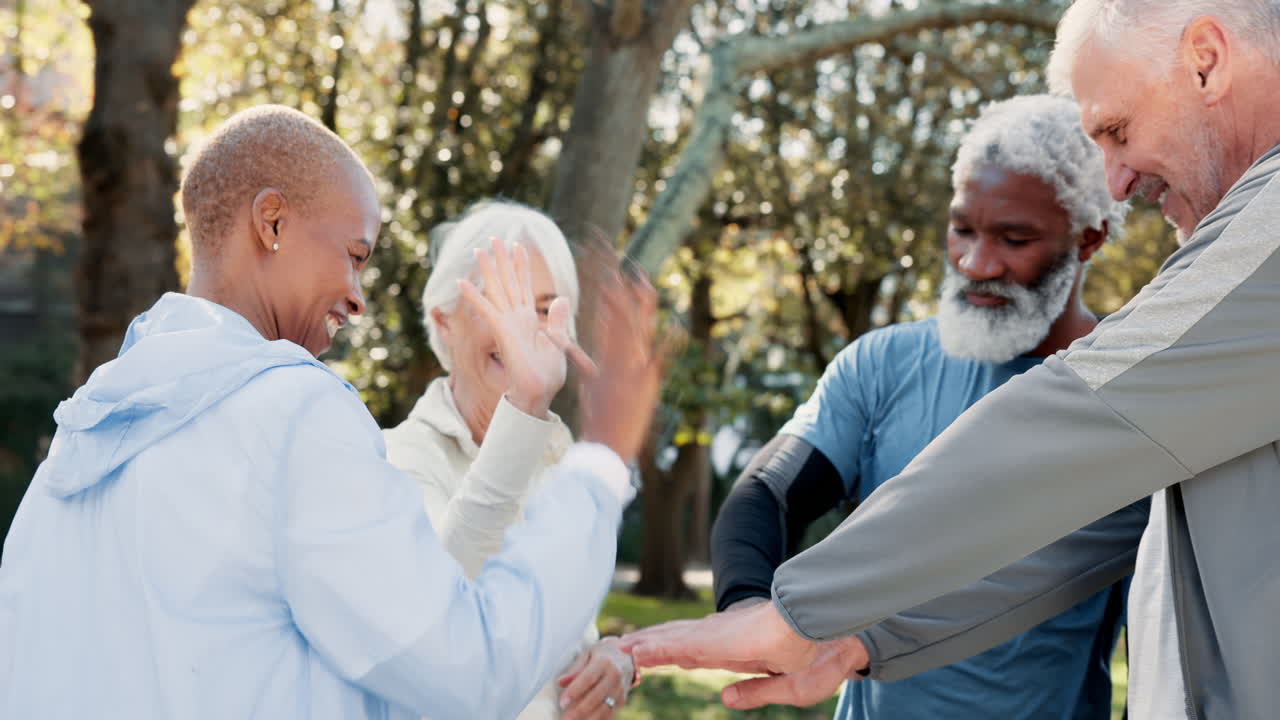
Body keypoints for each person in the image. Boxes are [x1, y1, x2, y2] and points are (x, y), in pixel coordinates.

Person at [622, 4, 1280, 718]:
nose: (1117, 182)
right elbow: (1075, 540)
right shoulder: (883, 362)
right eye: (961, 228)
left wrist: (802, 607)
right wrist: (856, 639)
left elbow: (1086, 414)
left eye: (1118, 132)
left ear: (1207, 60)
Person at [0, 105, 664, 720]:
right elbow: (468, 669)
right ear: (273, 223)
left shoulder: (74, 445)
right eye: (354, 257)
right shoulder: (292, 415)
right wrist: (604, 457)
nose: (357, 298)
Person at [709, 94, 1143, 720]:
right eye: (963, 228)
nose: (976, 262)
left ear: (1090, 238)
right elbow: (767, 497)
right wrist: (749, 614)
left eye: (1013, 239)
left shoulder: (1132, 394)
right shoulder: (881, 365)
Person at [383, 202, 634, 720]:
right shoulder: (397, 459)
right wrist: (525, 405)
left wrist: (612, 659)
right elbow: (438, 605)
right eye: (502, 302)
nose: (525, 328)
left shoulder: (560, 454)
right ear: (442, 322)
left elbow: (562, 630)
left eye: (544, 306)